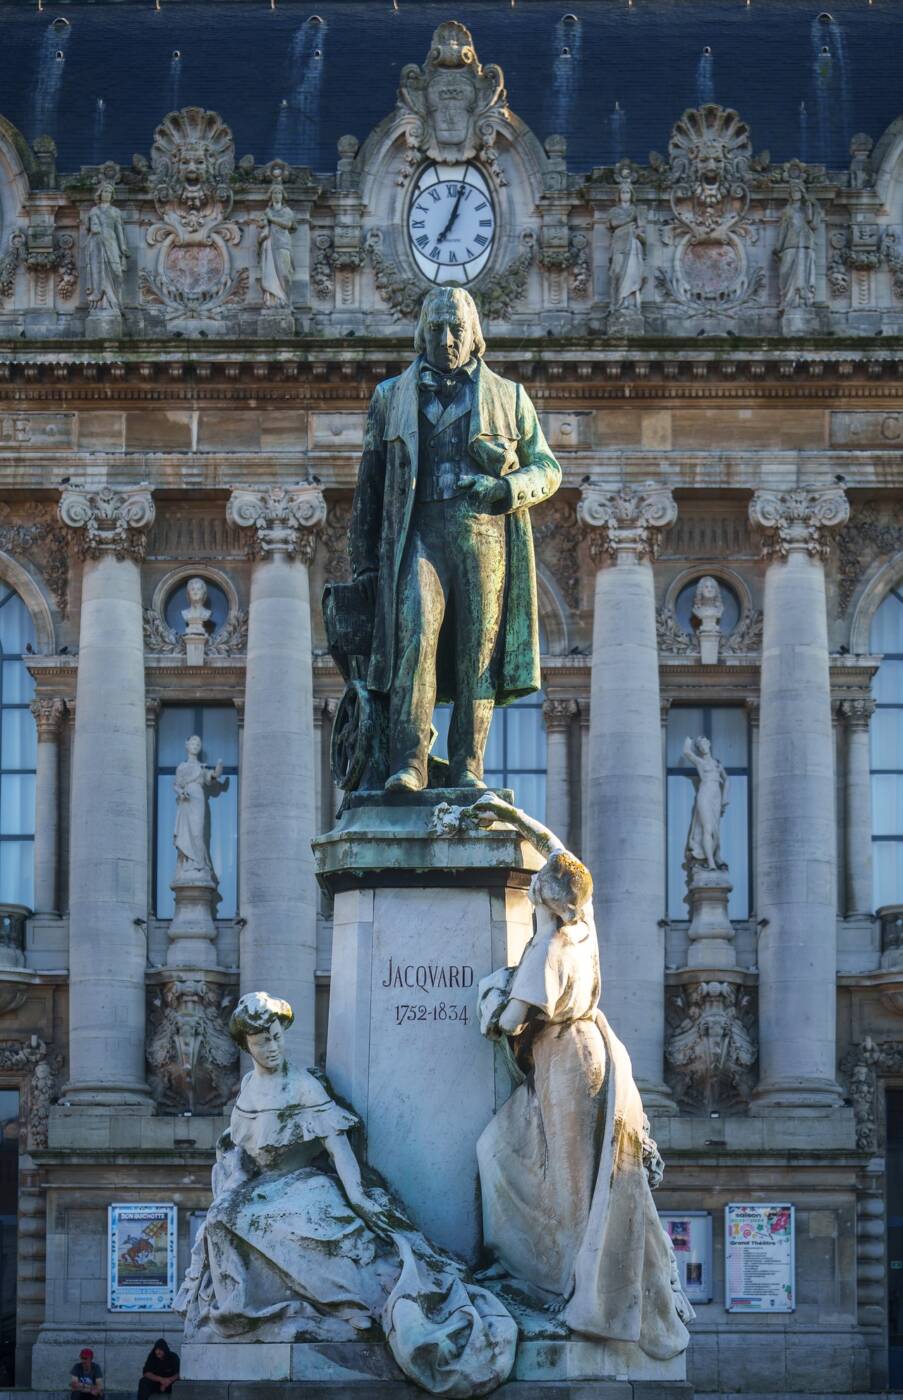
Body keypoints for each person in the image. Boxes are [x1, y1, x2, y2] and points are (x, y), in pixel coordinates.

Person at [175, 991, 516, 1397]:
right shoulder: (249, 1089)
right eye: (262, 1040)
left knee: (304, 1227)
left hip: (306, 1183)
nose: (272, 1047)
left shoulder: (301, 1085)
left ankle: (352, 1304)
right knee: (221, 1221)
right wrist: (228, 1199)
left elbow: (339, 1152)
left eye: (276, 1036)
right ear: (245, 1046)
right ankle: (246, 1310)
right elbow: (243, 1157)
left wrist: (360, 1199)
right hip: (260, 1189)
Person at [460, 793, 693, 1360]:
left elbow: (505, 1023)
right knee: (567, 1175)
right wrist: (515, 820)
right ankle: (560, 1281)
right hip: (590, 1053)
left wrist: (490, 994)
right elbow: (559, 853)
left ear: (543, 899)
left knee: (569, 1187)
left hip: (566, 1064)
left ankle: (569, 1293)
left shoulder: (551, 947)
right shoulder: (582, 922)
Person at [348, 285, 561, 792]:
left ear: (474, 335)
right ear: (423, 332)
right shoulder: (391, 397)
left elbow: (547, 469)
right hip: (417, 534)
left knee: (478, 649)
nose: (446, 340)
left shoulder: (509, 397)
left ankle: (467, 764)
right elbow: (369, 489)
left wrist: (506, 487)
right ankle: (411, 762)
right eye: (437, 328)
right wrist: (364, 571)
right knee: (415, 635)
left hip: (481, 530)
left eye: (456, 329)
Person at [682, 735, 729, 871]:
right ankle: (711, 862)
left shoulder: (717, 764)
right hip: (705, 793)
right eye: (699, 745)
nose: (702, 746)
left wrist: (725, 798)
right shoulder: (700, 762)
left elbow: (727, 780)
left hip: (716, 796)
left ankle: (715, 856)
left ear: (709, 743)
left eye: (704, 743)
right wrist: (688, 740)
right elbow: (686, 752)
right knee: (707, 828)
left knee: (716, 831)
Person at [85, 181, 128, 313]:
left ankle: (115, 300)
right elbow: (90, 227)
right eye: (105, 191)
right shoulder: (94, 210)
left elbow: (119, 231)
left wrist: (123, 247)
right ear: (100, 193)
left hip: (111, 242)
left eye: (109, 192)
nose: (107, 194)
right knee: (98, 270)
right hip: (96, 243)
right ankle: (103, 302)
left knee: (117, 272)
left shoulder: (116, 212)